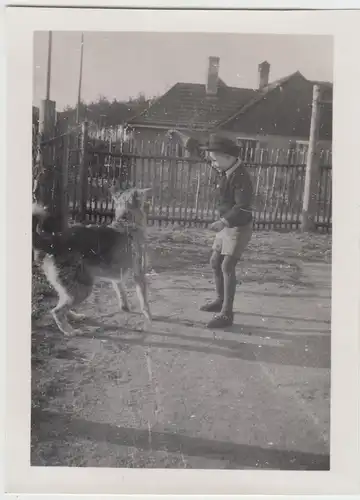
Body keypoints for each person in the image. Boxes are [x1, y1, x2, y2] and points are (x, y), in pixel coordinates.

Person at [168, 130, 254, 329]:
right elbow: (197, 148)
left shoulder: (241, 178)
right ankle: (219, 300)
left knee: (227, 266)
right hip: (226, 224)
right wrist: (178, 135)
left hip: (239, 226)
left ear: (228, 157)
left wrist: (224, 221)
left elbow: (242, 207)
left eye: (214, 160)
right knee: (215, 261)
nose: (212, 164)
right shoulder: (224, 165)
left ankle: (227, 314)